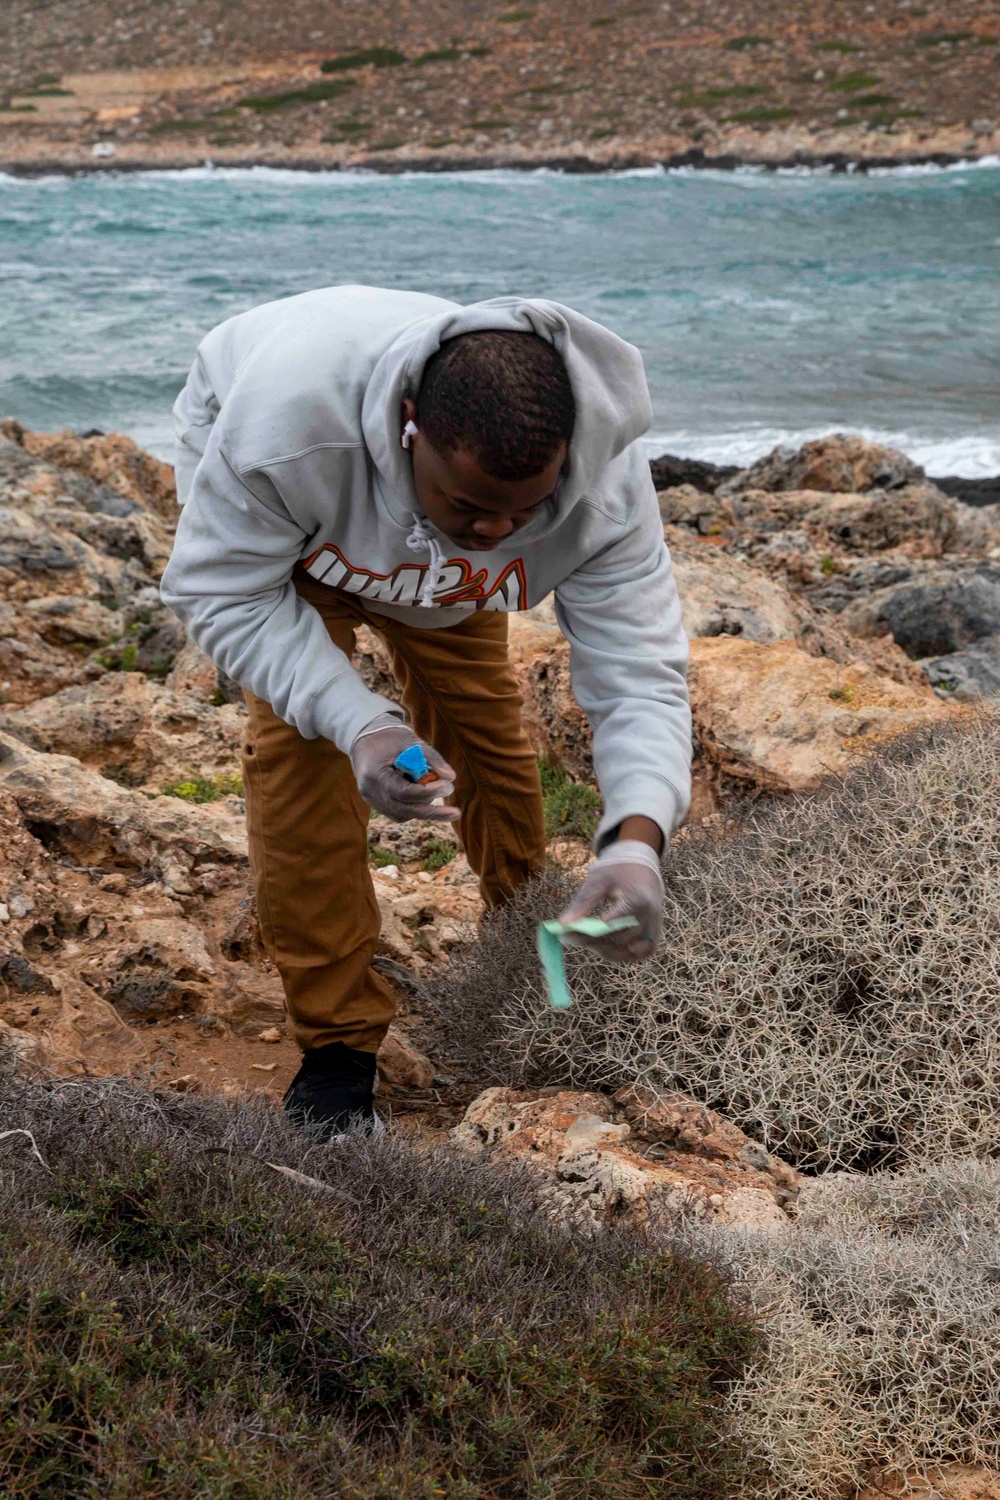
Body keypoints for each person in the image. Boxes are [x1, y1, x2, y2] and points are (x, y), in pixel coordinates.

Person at [161, 286, 691, 1138]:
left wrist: (638, 838)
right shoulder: (285, 430)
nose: (496, 529)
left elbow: (641, 676)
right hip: (299, 537)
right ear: (412, 423)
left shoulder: (603, 490)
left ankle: (533, 957)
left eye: (526, 512)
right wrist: (365, 725)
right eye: (471, 506)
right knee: (304, 753)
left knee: (483, 734)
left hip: (424, 572)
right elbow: (223, 594)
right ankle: (336, 1057)